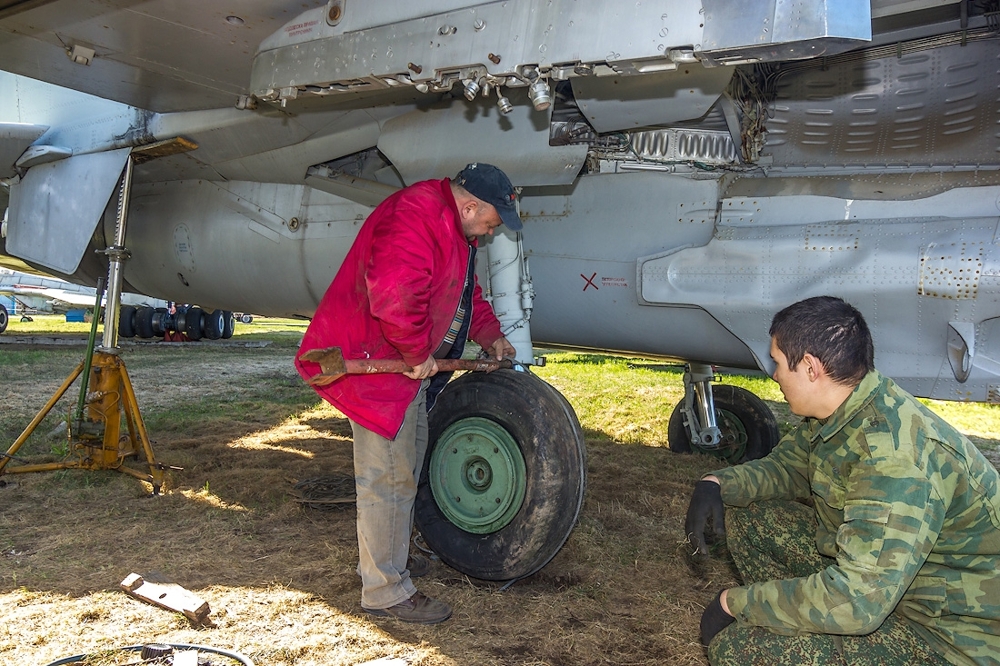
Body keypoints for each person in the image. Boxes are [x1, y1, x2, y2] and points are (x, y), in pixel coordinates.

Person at [684, 295, 1000, 665]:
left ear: (810, 367)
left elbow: (858, 600)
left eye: (778, 362)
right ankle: (809, 623)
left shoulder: (892, 457)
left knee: (737, 650)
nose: (774, 374)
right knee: (749, 516)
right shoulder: (842, 409)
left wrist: (735, 603)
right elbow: (786, 469)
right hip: (898, 594)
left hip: (954, 639)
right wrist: (716, 484)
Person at [295, 163, 518, 624]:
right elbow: (394, 292)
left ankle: (390, 559)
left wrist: (491, 336)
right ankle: (385, 591)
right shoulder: (416, 216)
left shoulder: (456, 230)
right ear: (471, 205)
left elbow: (464, 295)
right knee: (387, 477)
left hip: (404, 368)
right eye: (493, 222)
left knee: (406, 467)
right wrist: (417, 351)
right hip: (379, 364)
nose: (494, 232)